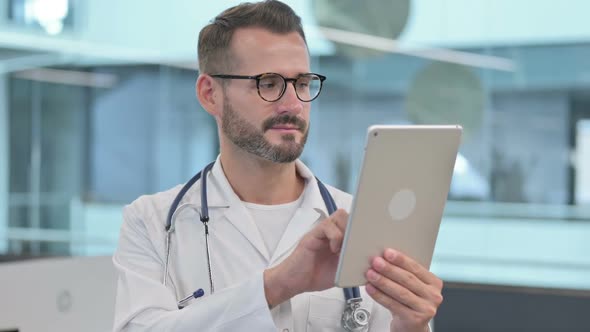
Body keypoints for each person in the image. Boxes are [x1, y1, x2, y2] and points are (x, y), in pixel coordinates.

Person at [112, 1, 443, 331]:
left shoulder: (360, 224)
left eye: (302, 83)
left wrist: (411, 325)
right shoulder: (152, 223)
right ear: (210, 93)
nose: (294, 105)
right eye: (268, 83)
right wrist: (277, 285)